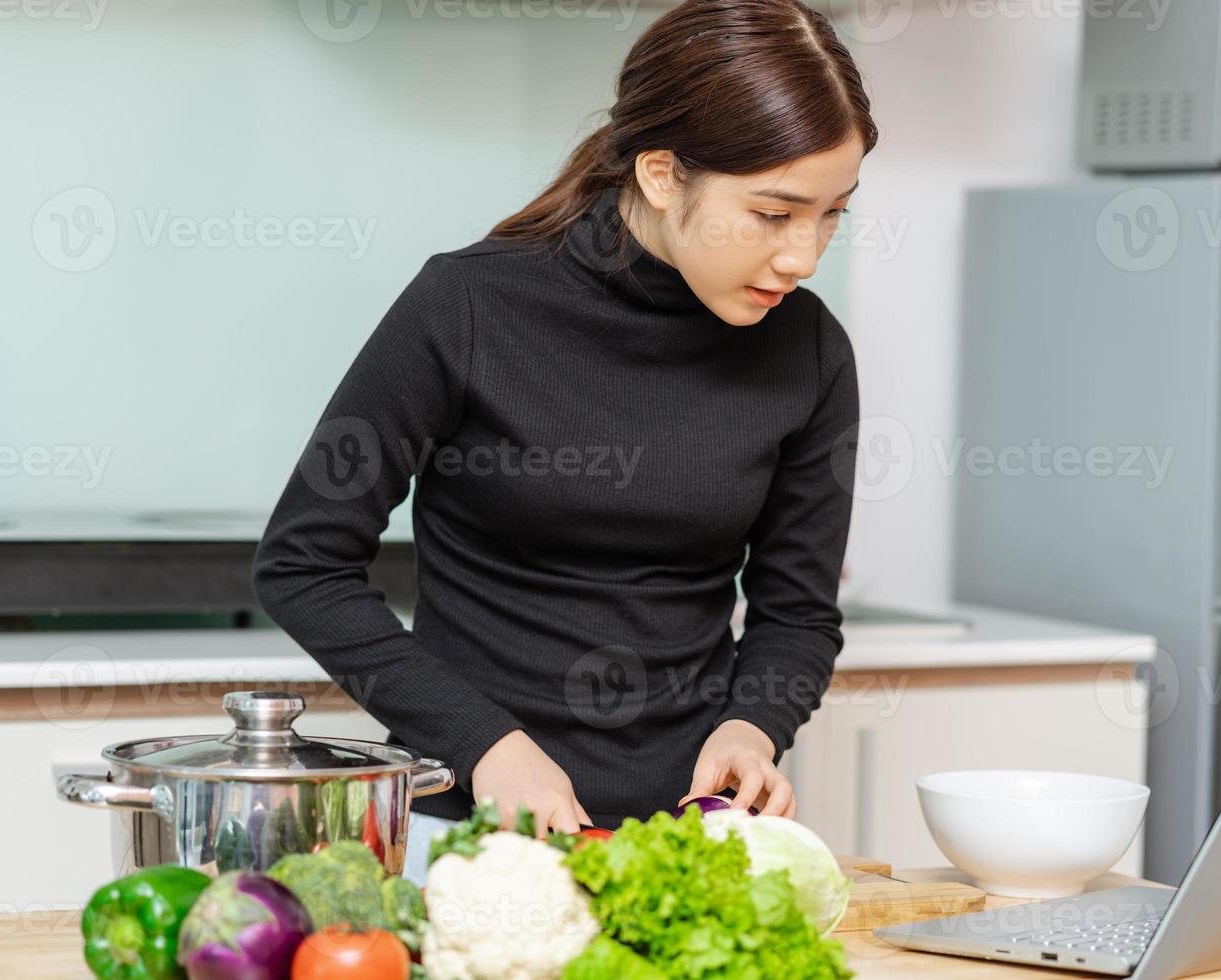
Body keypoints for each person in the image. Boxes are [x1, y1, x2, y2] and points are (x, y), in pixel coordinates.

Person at [253, 0, 877, 886]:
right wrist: (487, 747)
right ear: (662, 174)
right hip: (469, 838)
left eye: (832, 216)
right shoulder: (466, 308)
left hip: (689, 851)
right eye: (775, 215)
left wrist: (752, 726)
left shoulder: (808, 351)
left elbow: (797, 612)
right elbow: (302, 567)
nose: (804, 256)